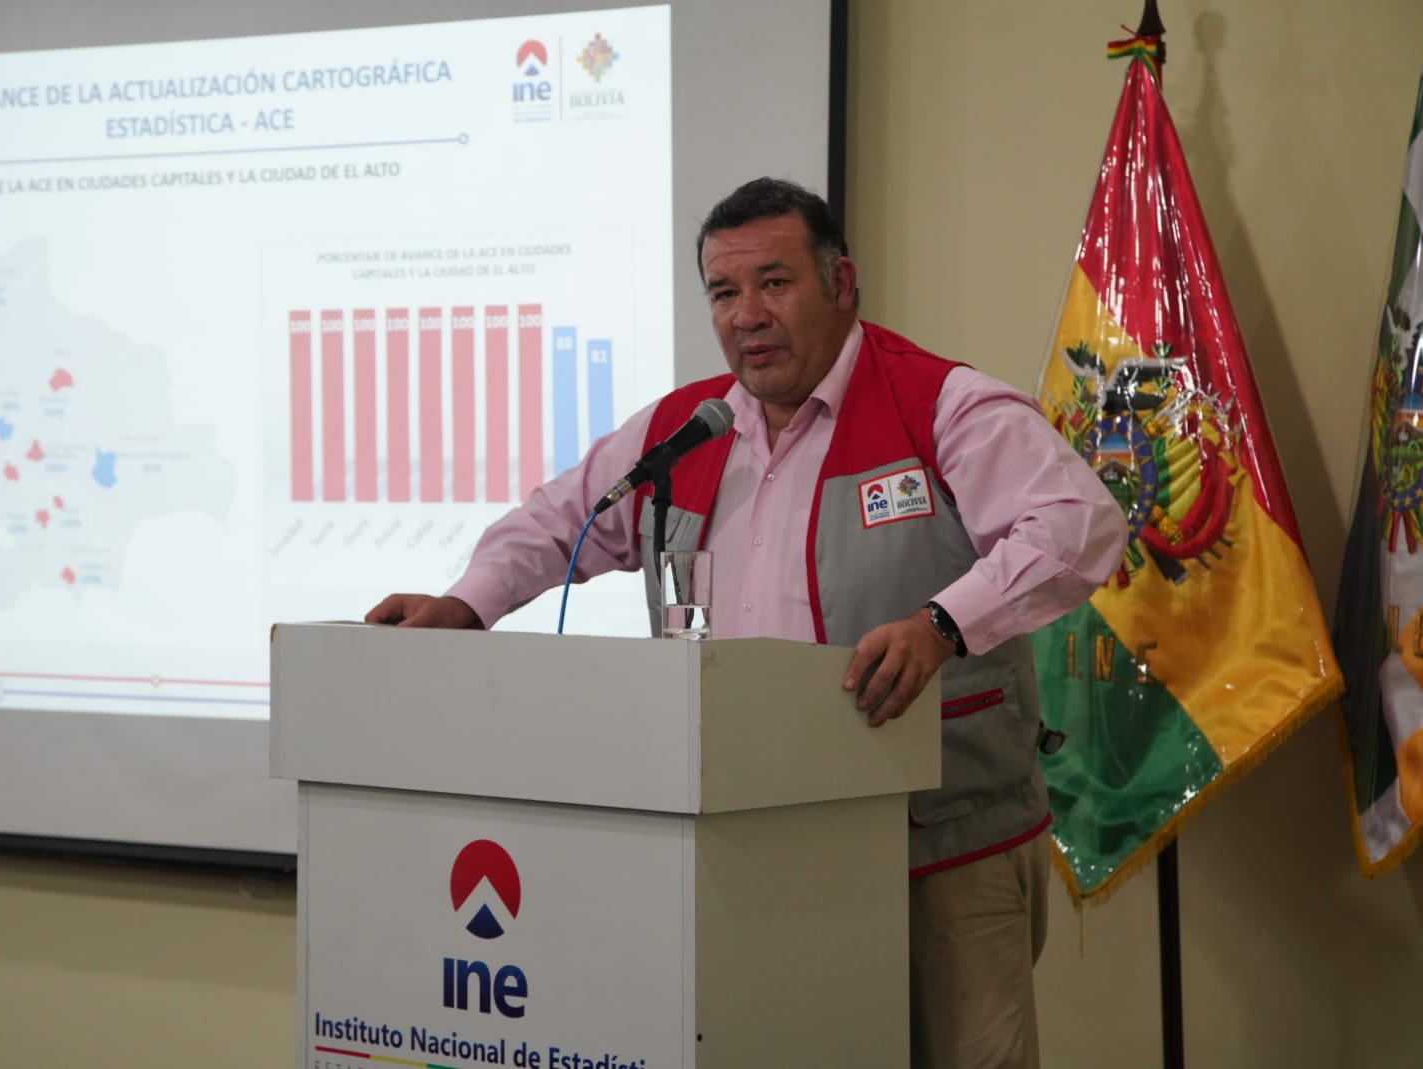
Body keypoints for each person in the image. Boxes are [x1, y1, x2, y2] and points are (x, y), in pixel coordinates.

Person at [367, 177, 1128, 1069]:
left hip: (937, 841)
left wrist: (941, 624)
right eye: (724, 292)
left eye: (774, 283)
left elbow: (1079, 525)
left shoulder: (938, 403)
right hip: (749, 847)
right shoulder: (687, 429)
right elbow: (559, 518)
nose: (747, 315)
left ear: (841, 284)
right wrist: (468, 602)